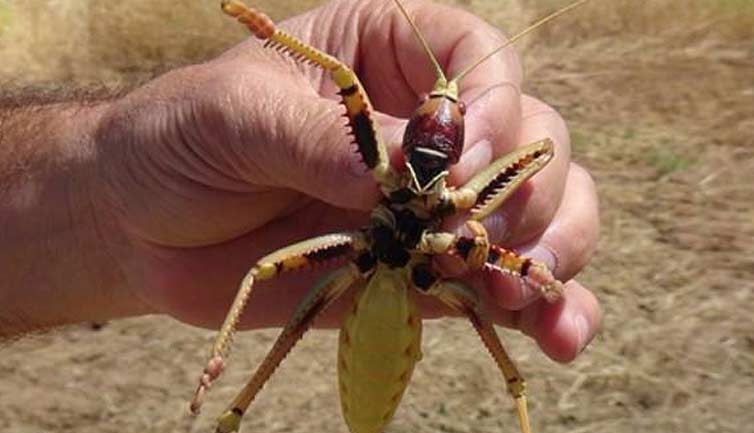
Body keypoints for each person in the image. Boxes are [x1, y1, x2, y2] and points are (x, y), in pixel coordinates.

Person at [0, 0, 600, 363]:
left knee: (502, 339)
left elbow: (541, 149)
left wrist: (530, 266)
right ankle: (224, 384)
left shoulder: (461, 190)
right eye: (432, 103)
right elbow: (342, 75)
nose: (441, 107)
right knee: (267, 284)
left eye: (451, 110)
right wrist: (268, 33)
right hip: (359, 267)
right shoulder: (383, 162)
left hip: (418, 277)